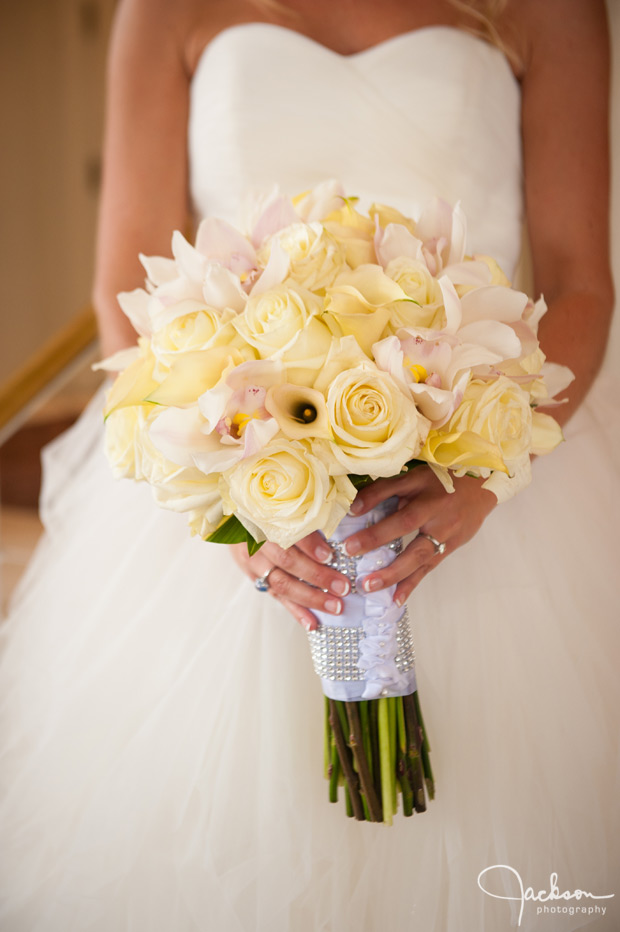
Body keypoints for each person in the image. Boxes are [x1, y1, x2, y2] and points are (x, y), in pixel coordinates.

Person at [0, 0, 618, 929]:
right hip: (233, 473)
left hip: (474, 474)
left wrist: (488, 479)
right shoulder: (162, 12)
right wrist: (228, 503)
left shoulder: (553, 13)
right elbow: (122, 284)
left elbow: (579, 282)